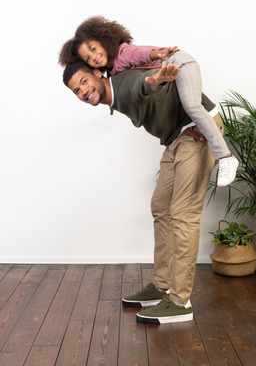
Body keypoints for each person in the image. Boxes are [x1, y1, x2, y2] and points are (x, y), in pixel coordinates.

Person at [61, 57, 225, 324]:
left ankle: (180, 301)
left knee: (184, 215)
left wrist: (157, 80)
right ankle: (161, 286)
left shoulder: (123, 85)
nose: (82, 91)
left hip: (197, 130)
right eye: (76, 90)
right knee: (161, 207)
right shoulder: (113, 94)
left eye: (84, 82)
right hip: (177, 137)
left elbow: (143, 85)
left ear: (95, 73)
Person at [59, 16, 238, 187]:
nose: (94, 57)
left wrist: (158, 54)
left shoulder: (124, 53)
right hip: (167, 79)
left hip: (178, 64)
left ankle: (226, 157)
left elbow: (141, 55)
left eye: (93, 49)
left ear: (103, 40)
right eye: (88, 59)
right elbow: (122, 91)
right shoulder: (112, 72)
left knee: (192, 105)